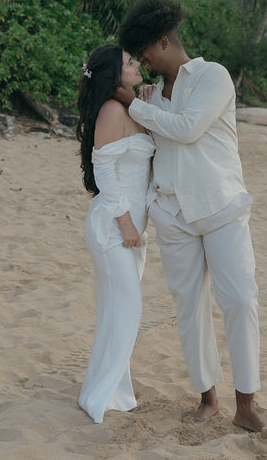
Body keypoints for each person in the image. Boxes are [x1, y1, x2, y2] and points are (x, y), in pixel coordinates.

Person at [113, 0, 265, 432]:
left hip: (221, 206)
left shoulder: (212, 76)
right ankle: (207, 398)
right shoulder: (151, 95)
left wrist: (132, 102)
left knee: (240, 299)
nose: (142, 60)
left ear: (164, 41)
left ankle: (246, 404)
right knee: (189, 308)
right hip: (172, 212)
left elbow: (187, 128)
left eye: (145, 50)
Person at [76, 44, 155, 423]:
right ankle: (102, 395)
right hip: (113, 226)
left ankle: (113, 392)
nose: (137, 64)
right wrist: (125, 223)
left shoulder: (132, 107)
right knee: (127, 308)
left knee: (116, 309)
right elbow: (104, 170)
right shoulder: (111, 110)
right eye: (129, 62)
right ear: (114, 74)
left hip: (132, 228)